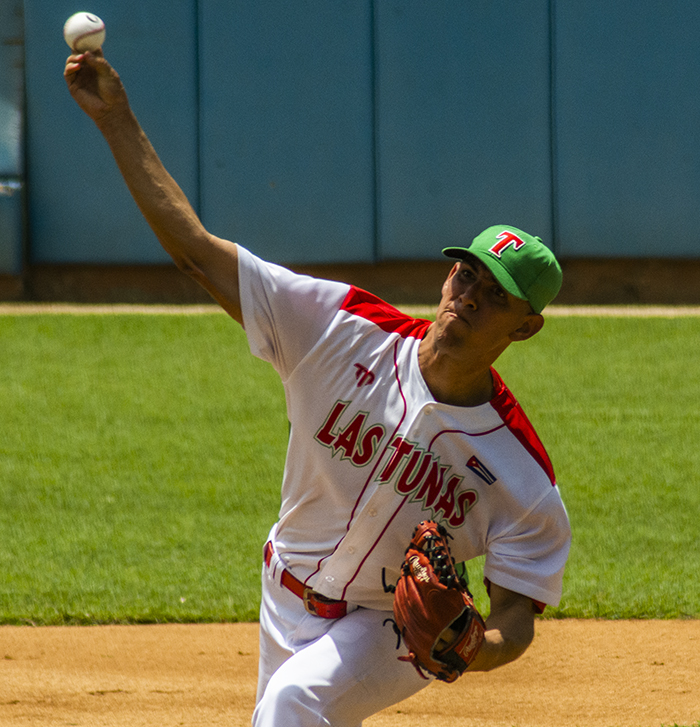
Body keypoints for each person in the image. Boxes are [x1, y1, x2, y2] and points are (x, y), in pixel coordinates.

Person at [65, 50, 571, 727]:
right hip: (282, 593)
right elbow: (194, 250)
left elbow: (516, 611)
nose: (469, 298)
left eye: (495, 295)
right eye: (466, 277)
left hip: (387, 627)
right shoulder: (341, 329)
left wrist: (477, 648)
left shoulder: (521, 472)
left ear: (527, 328)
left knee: (293, 704)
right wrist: (117, 120)